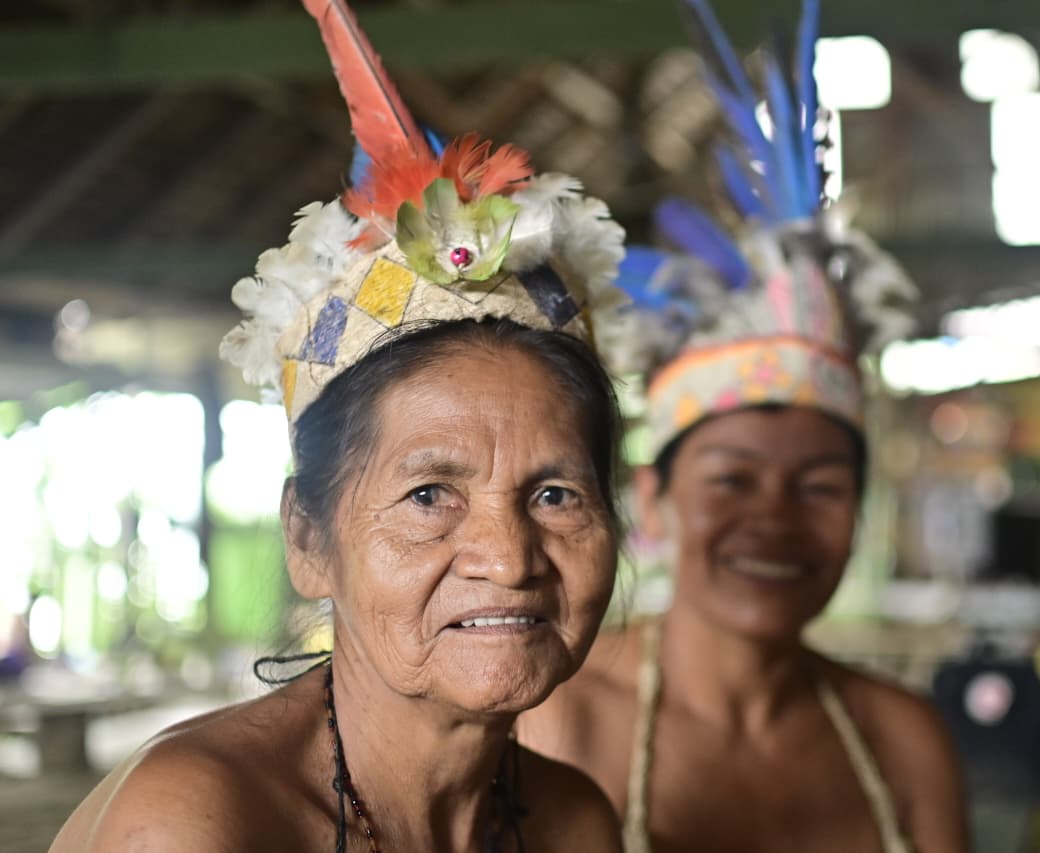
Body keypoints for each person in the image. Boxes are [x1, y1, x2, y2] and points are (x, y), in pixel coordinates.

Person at [50, 1, 631, 850]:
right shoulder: (199, 822)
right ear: (308, 537)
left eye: (554, 494)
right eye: (429, 493)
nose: (509, 559)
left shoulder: (572, 822)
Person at [520, 2, 967, 850]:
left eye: (820, 486)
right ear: (653, 501)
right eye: (731, 478)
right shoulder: (552, 722)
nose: (774, 518)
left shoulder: (906, 742)